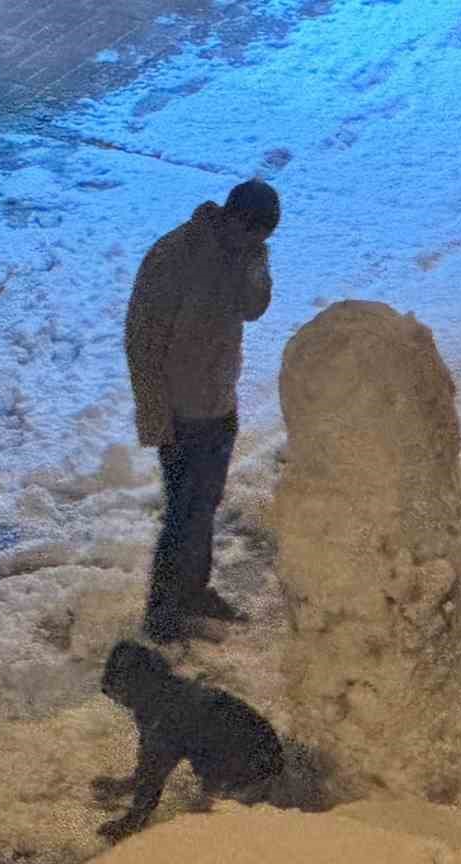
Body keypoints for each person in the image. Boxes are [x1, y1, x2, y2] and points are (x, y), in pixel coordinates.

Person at [125, 178, 280, 642]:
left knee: (204, 508)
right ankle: (162, 615)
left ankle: (194, 591)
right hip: (179, 411)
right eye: (254, 236)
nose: (256, 244)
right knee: (181, 515)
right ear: (233, 219)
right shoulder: (174, 256)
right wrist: (155, 415)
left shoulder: (244, 256)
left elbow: (254, 308)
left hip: (218, 403)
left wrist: (255, 262)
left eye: (263, 240)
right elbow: (141, 342)